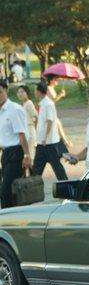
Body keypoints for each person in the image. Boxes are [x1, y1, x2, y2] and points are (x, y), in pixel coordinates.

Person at [0, 80, 33, 208]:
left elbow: (22, 134)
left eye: (0, 92)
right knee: (11, 191)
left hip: (16, 153)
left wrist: (27, 155)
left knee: (5, 191)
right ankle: (14, 220)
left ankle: (6, 221)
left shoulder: (14, 109)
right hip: (6, 154)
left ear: (6, 91)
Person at [32, 80, 67, 182]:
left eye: (35, 90)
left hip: (49, 143)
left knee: (57, 168)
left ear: (39, 91)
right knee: (37, 169)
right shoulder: (42, 103)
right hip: (42, 143)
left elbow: (50, 122)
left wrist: (45, 138)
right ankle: (31, 189)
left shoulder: (48, 104)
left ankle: (66, 187)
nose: (34, 92)